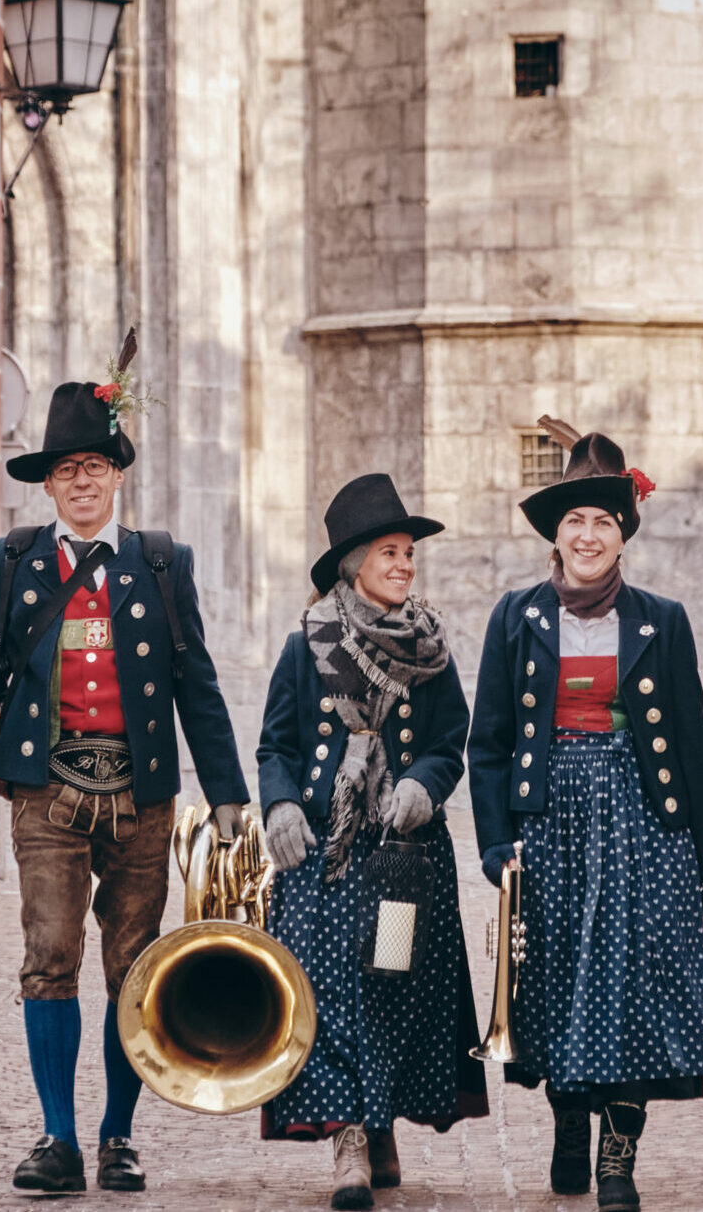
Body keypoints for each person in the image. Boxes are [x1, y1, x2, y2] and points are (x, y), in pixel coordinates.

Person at [0, 371, 250, 1195]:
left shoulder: (160, 562)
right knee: (48, 957)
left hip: (141, 791)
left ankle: (118, 1135)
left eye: (94, 465)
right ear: (47, 482)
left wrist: (225, 791)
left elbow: (198, 681)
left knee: (133, 965)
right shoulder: (12, 561)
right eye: (64, 469)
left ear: (117, 473)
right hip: (43, 787)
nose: (81, 481)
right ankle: (57, 1135)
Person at [468, 432, 703, 1212]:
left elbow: (688, 740)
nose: (587, 535)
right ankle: (569, 1123)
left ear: (623, 534)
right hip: (548, 823)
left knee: (633, 983)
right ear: (556, 532)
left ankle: (618, 1152)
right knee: (556, 981)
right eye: (575, 520)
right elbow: (488, 743)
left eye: (603, 523)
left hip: (644, 827)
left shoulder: (661, 620)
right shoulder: (515, 618)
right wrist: (494, 841)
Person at [256, 473, 488, 1211]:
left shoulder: (430, 646)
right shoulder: (307, 645)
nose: (404, 564)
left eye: (409, 553)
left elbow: (453, 738)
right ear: (354, 561)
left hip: (402, 862)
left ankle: (380, 1114)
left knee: (392, 984)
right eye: (389, 551)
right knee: (327, 993)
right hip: (325, 860)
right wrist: (281, 805)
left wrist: (424, 782)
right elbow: (274, 745)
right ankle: (349, 1134)